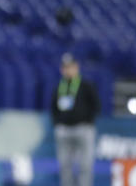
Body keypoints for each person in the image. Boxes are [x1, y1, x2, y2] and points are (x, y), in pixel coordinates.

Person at [51, 53, 100, 186]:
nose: (68, 70)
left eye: (70, 67)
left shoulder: (86, 85)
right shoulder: (59, 87)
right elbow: (53, 108)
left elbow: (96, 105)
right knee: (64, 166)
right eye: (65, 67)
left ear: (77, 67)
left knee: (85, 165)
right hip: (64, 131)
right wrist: (58, 124)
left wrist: (88, 123)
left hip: (83, 129)